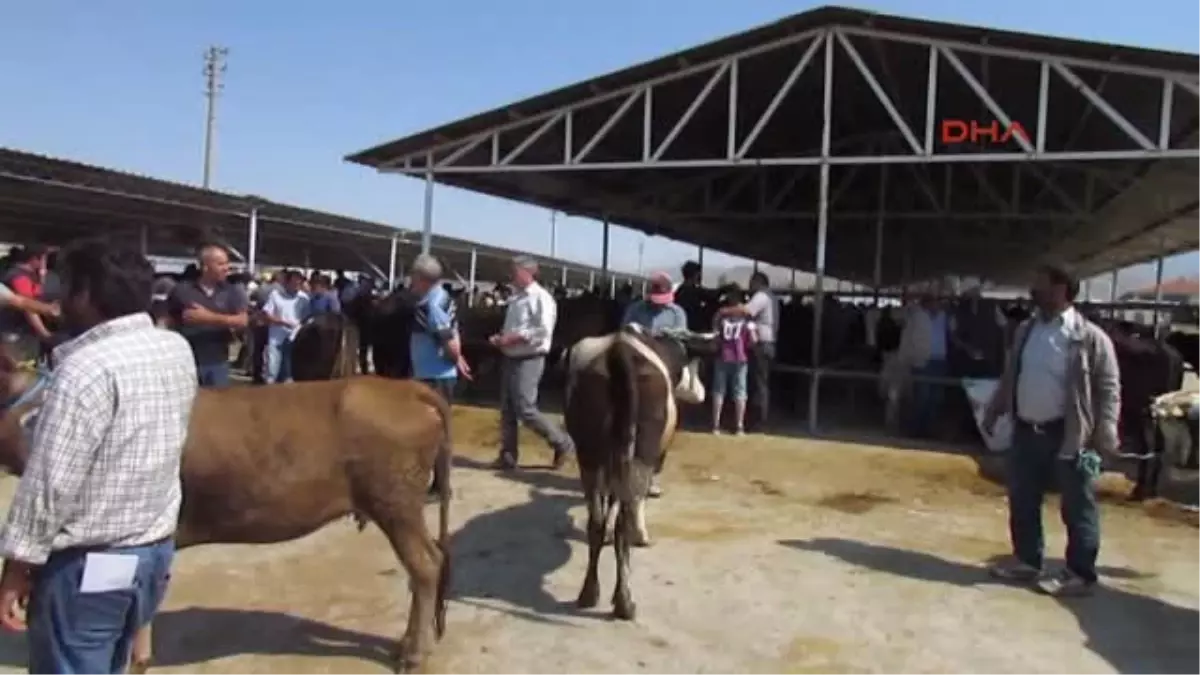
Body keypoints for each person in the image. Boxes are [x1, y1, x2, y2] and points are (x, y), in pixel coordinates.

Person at [0, 238, 198, 672]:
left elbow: (51, 484)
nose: (59, 299)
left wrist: (17, 566)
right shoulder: (175, 349)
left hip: (88, 566)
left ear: (86, 294)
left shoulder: (85, 369)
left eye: (66, 286)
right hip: (152, 557)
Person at [982, 264, 1120, 597]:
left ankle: (1080, 572)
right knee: (1023, 497)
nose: (1034, 290)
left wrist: (1106, 431)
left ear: (1061, 289)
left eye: (1040, 284)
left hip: (1070, 435)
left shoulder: (1088, 337)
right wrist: (996, 407)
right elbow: (1013, 373)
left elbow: (1108, 387)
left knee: (1077, 504)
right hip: (1027, 430)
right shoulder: (1027, 331)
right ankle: (1028, 560)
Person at [490, 255, 574, 470]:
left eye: (515, 271)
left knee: (526, 408)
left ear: (527, 272)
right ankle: (508, 455)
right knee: (508, 409)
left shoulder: (540, 298)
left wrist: (513, 338)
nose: (511, 275)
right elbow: (518, 327)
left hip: (529, 358)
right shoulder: (517, 298)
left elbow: (542, 330)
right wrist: (502, 338)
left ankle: (562, 442)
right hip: (510, 356)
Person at [408, 255, 472, 493]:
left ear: (422, 279)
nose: (411, 282)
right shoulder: (443, 298)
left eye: (413, 277)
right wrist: (459, 360)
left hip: (434, 375)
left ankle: (442, 485)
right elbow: (453, 334)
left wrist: (457, 358)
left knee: (437, 431)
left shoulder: (431, 306)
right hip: (437, 372)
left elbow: (447, 340)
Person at [166, 244, 250, 387]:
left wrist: (208, 317)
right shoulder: (182, 290)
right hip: (187, 360)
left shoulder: (231, 291)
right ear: (205, 267)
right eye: (220, 264)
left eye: (227, 263)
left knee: (218, 405)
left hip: (218, 361)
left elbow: (243, 320)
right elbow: (168, 321)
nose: (226, 268)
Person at [716, 271, 778, 431]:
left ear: (758, 282)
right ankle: (756, 419)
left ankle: (759, 421)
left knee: (758, 383)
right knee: (759, 382)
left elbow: (748, 311)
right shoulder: (770, 296)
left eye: (752, 282)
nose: (750, 286)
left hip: (761, 343)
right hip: (766, 343)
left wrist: (725, 311)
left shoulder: (762, 295)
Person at [897, 292, 951, 438]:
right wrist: (906, 360)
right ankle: (916, 430)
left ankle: (930, 430)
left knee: (936, 397)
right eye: (932, 302)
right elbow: (907, 338)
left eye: (937, 302)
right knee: (922, 396)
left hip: (940, 361)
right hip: (922, 361)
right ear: (925, 304)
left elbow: (951, 334)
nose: (935, 305)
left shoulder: (944, 317)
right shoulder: (916, 317)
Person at [711, 288, 757, 435]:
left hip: (722, 356)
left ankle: (715, 425)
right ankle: (739, 426)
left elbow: (716, 338)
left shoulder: (721, 316)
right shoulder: (747, 317)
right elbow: (753, 340)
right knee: (740, 392)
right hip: (740, 357)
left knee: (719, 391)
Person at [0, 246, 53, 364]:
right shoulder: (19, 277)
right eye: (43, 261)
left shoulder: (28, 275)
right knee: (19, 368)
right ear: (34, 260)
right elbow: (27, 307)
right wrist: (44, 334)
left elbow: (37, 294)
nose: (45, 265)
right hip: (15, 332)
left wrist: (42, 274)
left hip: (21, 331)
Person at [261, 269, 310, 384]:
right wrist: (282, 322)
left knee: (289, 371)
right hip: (276, 338)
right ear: (286, 283)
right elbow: (266, 314)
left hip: (294, 338)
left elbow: (306, 318)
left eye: (299, 283)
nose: (296, 286)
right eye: (294, 283)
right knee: (272, 370)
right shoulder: (275, 295)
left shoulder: (303, 298)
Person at [621, 271, 687, 335]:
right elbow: (625, 332)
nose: (659, 304)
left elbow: (679, 341)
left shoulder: (677, 314)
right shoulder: (635, 309)